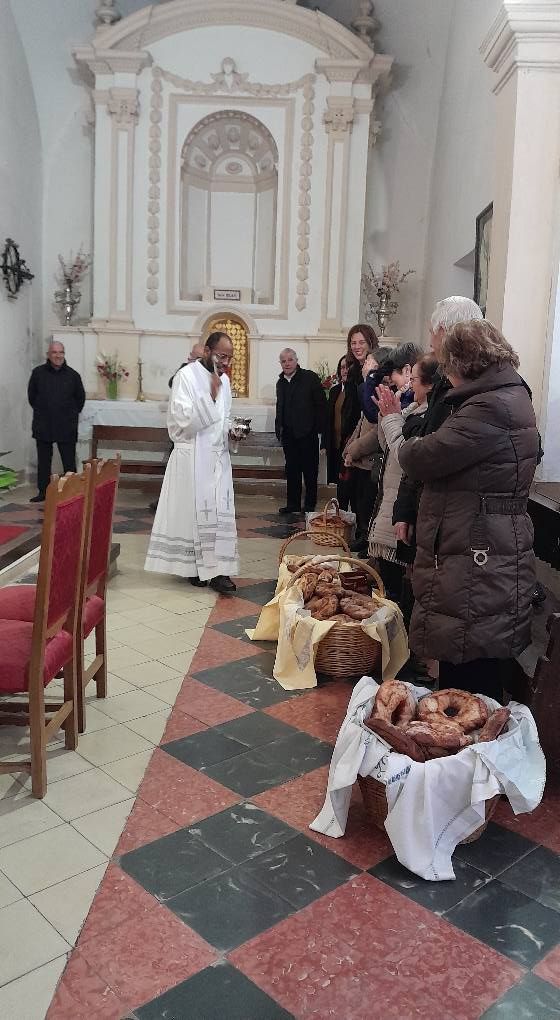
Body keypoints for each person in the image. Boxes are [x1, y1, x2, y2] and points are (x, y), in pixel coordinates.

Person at [378, 319, 539, 702]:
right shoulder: (500, 396)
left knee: (470, 673)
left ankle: (467, 753)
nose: (445, 375)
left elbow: (421, 456)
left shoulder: (490, 406)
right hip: (481, 548)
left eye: (447, 365)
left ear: (465, 362)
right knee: (466, 659)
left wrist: (392, 421)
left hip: (479, 554)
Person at [145, 332, 239, 595]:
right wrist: (209, 398)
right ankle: (195, 567)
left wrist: (232, 430)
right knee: (194, 515)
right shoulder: (186, 377)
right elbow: (181, 423)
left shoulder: (225, 381)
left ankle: (219, 571)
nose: (225, 361)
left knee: (219, 515)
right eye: (221, 355)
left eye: (229, 357)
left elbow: (224, 417)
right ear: (208, 351)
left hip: (217, 458)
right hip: (192, 458)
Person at [367, 346, 432, 599]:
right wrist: (388, 416)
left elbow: (405, 457)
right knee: (389, 585)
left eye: (414, 379)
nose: (410, 385)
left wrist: (392, 417)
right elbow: (387, 447)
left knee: (399, 590)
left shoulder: (427, 416)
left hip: (403, 508)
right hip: (391, 501)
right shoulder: (413, 410)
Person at [149, 341, 206, 513]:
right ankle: (166, 499)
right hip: (181, 430)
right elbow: (171, 383)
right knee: (175, 468)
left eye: (193, 357)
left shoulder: (209, 376)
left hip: (199, 431)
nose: (189, 357)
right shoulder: (184, 371)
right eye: (190, 355)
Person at [27, 341, 86, 503]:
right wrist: (43, 411)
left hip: (66, 425)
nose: (58, 355)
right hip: (43, 423)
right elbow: (32, 396)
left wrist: (70, 415)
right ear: (48, 354)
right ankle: (43, 492)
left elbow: (80, 399)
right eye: (54, 352)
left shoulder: (73, 376)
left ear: (64, 354)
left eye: (61, 352)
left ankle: (71, 491)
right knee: (44, 461)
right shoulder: (38, 373)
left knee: (68, 461)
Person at [275, 349, 327, 515]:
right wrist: (279, 429)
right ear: (281, 363)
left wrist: (319, 430)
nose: (287, 363)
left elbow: (320, 405)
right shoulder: (280, 382)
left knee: (310, 471)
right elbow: (280, 407)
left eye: (290, 360)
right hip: (289, 435)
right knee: (292, 470)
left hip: (307, 433)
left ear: (296, 361)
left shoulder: (309, 378)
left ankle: (310, 505)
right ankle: (293, 504)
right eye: (284, 361)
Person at [324, 356, 360, 509]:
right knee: (340, 485)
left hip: (350, 443)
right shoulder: (335, 391)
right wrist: (325, 443)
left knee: (349, 485)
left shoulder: (357, 389)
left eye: (348, 367)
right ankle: (341, 516)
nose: (345, 370)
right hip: (336, 443)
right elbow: (329, 419)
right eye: (342, 367)